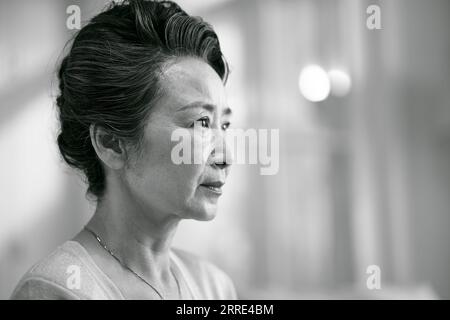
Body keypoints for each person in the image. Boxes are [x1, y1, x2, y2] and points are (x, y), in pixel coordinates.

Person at [11, 0, 237, 300]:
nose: (226, 158)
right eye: (201, 122)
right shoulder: (57, 290)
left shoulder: (215, 287)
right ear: (111, 143)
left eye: (224, 125)